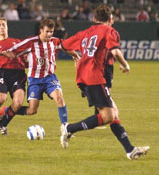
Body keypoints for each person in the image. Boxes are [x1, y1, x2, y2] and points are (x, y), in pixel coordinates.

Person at [60, 4, 150, 160]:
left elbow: (63, 45)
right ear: (110, 19)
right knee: (108, 115)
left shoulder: (85, 32)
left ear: (95, 19)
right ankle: (69, 128)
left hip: (84, 77)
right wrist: (125, 64)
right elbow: (115, 51)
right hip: (95, 77)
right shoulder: (108, 31)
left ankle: (130, 150)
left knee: (112, 114)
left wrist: (76, 56)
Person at [0, 19, 79, 133]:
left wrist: (76, 56)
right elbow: (14, 50)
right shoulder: (31, 42)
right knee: (32, 110)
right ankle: (7, 111)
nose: (49, 34)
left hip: (50, 77)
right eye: (47, 31)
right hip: (35, 80)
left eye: (51, 32)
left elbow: (65, 47)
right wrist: (6, 53)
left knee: (59, 98)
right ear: (41, 30)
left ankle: (66, 128)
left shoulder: (54, 41)